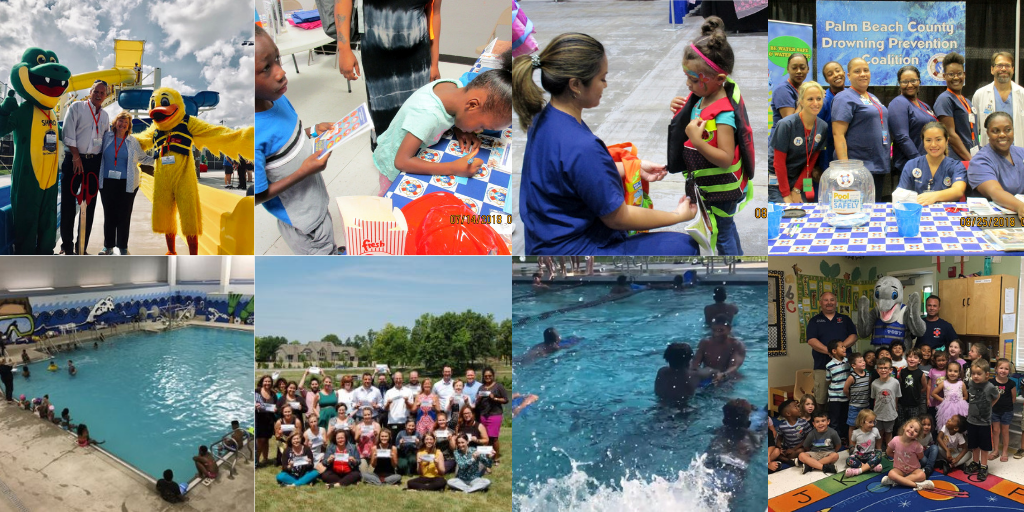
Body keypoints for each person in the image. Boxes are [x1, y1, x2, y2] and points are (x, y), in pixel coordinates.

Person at [513, 33, 699, 255]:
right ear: (575, 85)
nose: (605, 85)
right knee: (684, 247)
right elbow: (618, 218)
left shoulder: (545, 119)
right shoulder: (582, 146)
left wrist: (632, 167)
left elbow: (571, 176)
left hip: (545, 242)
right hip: (573, 254)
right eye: (602, 78)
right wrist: (678, 216)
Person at [254, 25, 335, 255]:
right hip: (303, 226)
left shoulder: (278, 98)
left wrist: (312, 131)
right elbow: (256, 196)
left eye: (278, 59)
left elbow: (289, 139)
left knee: (326, 237)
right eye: (266, 68)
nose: (281, 72)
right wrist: (303, 172)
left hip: (314, 202)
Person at [372, 69, 513, 194]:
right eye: (481, 125)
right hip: (392, 166)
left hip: (413, 149)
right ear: (472, 105)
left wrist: (460, 128)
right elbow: (402, 162)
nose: (478, 131)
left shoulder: (455, 87)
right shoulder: (427, 114)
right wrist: (453, 167)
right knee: (389, 205)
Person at [335, 0, 442, 150]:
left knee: (417, 109)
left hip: (417, 55)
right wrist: (344, 48)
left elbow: (434, 13)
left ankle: (414, 153)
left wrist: (434, 63)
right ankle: (385, 153)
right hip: (377, 53)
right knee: (382, 110)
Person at [60, 80, 110, 254]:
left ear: (106, 96)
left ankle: (82, 247)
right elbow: (67, 134)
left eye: (102, 93)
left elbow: (105, 141)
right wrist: (75, 156)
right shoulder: (76, 108)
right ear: (91, 91)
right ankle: (66, 247)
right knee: (67, 203)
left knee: (89, 204)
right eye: (96, 91)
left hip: (93, 162)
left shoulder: (105, 116)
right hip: (74, 160)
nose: (99, 95)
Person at [831, 57, 892, 199]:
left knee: (873, 209)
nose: (863, 74)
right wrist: (845, 169)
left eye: (866, 70)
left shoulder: (872, 97)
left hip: (877, 164)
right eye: (857, 71)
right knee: (857, 211)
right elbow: (838, 134)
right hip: (857, 167)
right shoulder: (844, 97)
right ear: (849, 76)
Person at [97, 111, 152, 255]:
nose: (122, 125)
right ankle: (108, 246)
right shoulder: (106, 137)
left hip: (127, 183)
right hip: (107, 182)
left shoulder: (132, 141)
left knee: (124, 215)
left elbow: (143, 158)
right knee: (109, 215)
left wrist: (161, 159)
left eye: (126, 123)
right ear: (115, 123)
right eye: (120, 121)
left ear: (129, 126)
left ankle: (122, 246)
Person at [769, 81, 827, 203]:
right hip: (777, 178)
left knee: (803, 210)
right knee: (784, 211)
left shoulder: (823, 127)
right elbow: (778, 163)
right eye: (810, 99)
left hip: (798, 178)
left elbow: (811, 162)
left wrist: (796, 189)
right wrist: (785, 194)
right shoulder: (786, 125)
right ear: (801, 101)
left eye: (819, 98)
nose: (815, 103)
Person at [806, 292, 858, 410]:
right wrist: (831, 351)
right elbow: (811, 340)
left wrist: (840, 348)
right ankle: (821, 423)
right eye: (825, 300)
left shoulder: (845, 319)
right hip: (822, 367)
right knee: (821, 399)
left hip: (845, 367)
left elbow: (854, 336)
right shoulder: (815, 321)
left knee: (846, 396)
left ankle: (844, 425)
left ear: (836, 302)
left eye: (832, 300)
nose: (829, 303)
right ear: (820, 303)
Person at [702, 399, 763, 498]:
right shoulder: (754, 439)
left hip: (713, 466)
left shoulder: (718, 432)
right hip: (735, 472)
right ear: (748, 424)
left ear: (724, 421)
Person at [968, 112, 1024, 220]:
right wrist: (1020, 206)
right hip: (992, 221)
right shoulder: (979, 161)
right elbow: (995, 192)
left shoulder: (1021, 153)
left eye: (1008, 130)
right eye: (995, 131)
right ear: (987, 133)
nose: (1002, 134)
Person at [889, 65, 938, 175]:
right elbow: (902, 137)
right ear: (899, 83)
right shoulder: (898, 103)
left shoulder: (924, 106)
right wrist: (920, 161)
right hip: (912, 166)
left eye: (913, 81)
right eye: (905, 82)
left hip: (930, 163)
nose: (910, 85)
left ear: (919, 81)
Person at [973, 52, 1024, 148]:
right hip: (989, 154)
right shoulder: (980, 95)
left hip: (1018, 153)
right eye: (999, 65)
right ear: (992, 69)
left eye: (1007, 66)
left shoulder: (1022, 94)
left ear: (1013, 69)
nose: (1003, 69)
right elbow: (974, 130)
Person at [934, 52, 977, 161]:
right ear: (944, 76)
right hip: (956, 160)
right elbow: (951, 135)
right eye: (951, 74)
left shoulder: (967, 101)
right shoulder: (944, 99)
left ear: (964, 74)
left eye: (959, 73)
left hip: (971, 155)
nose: (956, 77)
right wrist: (970, 160)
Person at [964, 359, 999, 480]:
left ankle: (983, 466)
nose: (975, 376)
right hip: (971, 420)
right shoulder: (971, 383)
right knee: (974, 445)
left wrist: (990, 406)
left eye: (979, 374)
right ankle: (975, 462)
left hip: (984, 422)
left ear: (987, 375)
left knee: (984, 446)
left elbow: (997, 396)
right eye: (973, 373)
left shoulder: (990, 387)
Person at [692, 314, 745, 383]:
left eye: (721, 330)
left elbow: (734, 366)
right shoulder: (704, 343)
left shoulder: (736, 345)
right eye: (714, 330)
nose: (717, 334)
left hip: (728, 377)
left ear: (729, 329)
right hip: (708, 376)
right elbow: (695, 364)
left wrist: (723, 375)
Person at [881, 418, 933, 490]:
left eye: (916, 431)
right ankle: (917, 485)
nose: (912, 430)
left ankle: (897, 481)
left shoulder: (917, 445)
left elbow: (921, 456)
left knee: (922, 475)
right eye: (911, 427)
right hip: (899, 469)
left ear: (917, 436)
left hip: (913, 470)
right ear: (905, 426)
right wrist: (897, 457)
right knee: (891, 473)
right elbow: (888, 452)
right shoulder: (895, 440)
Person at [770, 53, 810, 144]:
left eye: (802, 68)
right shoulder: (782, 90)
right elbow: (791, 123)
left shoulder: (804, 89)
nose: (799, 71)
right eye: (794, 68)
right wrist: (806, 98)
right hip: (781, 145)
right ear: (788, 69)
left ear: (808, 69)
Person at [817, 61, 846, 173]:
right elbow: (815, 133)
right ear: (826, 80)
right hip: (826, 156)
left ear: (844, 72)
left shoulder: (854, 96)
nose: (835, 75)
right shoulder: (823, 101)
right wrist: (815, 165)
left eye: (838, 70)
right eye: (830, 74)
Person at [475, 366, 508, 462]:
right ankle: (488, 456)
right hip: (483, 415)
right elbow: (477, 403)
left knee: (494, 438)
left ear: (493, 376)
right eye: (486, 376)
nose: (488, 377)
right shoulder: (481, 387)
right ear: (483, 377)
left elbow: (506, 400)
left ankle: (496, 458)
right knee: (486, 437)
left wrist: (495, 398)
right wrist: (479, 398)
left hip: (495, 415)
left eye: (490, 375)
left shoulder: (498, 386)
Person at [989, 358, 1015, 463]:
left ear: (1009, 371)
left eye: (1006, 369)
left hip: (1007, 411)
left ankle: (1004, 452)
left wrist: (1007, 407)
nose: (1003, 370)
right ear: (996, 369)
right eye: (1001, 368)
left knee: (1005, 431)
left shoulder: (1011, 383)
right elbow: (989, 396)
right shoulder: (991, 382)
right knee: (995, 431)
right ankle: (996, 451)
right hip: (994, 411)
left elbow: (1013, 398)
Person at [932, 361, 968, 437]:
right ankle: (946, 441)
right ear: (946, 371)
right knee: (947, 423)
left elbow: (966, 396)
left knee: (959, 424)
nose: (952, 373)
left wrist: (960, 401)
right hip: (947, 408)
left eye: (955, 371)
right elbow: (934, 393)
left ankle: (959, 441)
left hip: (959, 408)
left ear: (959, 373)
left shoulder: (961, 383)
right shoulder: (944, 383)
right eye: (950, 370)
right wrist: (943, 400)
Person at [797, 410, 840, 474]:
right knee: (801, 455)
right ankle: (825, 467)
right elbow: (806, 446)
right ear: (814, 424)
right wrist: (811, 453)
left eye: (823, 421)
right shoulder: (811, 434)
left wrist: (832, 452)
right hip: (814, 453)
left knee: (835, 455)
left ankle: (811, 466)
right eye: (817, 422)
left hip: (827, 453)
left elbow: (838, 445)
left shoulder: (833, 432)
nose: (820, 424)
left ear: (828, 422)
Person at [871, 357, 901, 447]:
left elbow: (896, 396)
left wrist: (895, 408)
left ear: (890, 370)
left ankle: (889, 451)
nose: (883, 370)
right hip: (878, 414)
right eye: (880, 368)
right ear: (877, 370)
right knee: (879, 433)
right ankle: (879, 451)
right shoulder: (874, 383)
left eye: (885, 368)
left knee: (889, 433)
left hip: (890, 414)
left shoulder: (895, 382)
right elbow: (874, 398)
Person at [844, 409, 883, 477]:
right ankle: (870, 467)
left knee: (879, 455)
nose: (873, 424)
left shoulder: (875, 431)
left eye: (874, 422)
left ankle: (858, 471)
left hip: (870, 455)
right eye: (870, 422)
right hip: (858, 456)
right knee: (848, 460)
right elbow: (853, 442)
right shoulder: (855, 433)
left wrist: (879, 449)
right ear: (862, 423)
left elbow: (878, 440)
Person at [896, 349, 927, 433]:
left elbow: (924, 387)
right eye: (910, 357)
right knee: (901, 424)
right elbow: (900, 385)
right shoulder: (902, 372)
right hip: (902, 404)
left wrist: (916, 393)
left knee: (913, 425)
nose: (912, 359)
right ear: (906, 358)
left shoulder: (921, 373)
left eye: (915, 357)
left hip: (914, 405)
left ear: (919, 361)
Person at [825, 340, 850, 444]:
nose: (845, 348)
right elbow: (828, 380)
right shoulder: (829, 365)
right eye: (842, 347)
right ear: (834, 351)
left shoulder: (848, 361)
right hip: (834, 396)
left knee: (845, 417)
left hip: (846, 396)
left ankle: (844, 437)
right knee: (834, 419)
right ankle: (835, 439)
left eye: (845, 346)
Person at [843, 353, 871, 443]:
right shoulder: (852, 377)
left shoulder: (867, 375)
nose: (863, 363)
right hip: (854, 406)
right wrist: (850, 397)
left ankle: (864, 442)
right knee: (852, 425)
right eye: (860, 362)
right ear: (853, 365)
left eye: (863, 361)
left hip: (865, 405)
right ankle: (851, 444)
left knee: (865, 425)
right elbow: (845, 389)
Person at [774, 399, 807, 465]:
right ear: (788, 413)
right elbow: (780, 437)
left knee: (801, 451)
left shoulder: (804, 423)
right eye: (795, 407)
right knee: (777, 453)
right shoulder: (782, 426)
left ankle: (790, 460)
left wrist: (794, 449)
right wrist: (779, 447)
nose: (798, 408)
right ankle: (789, 460)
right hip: (788, 449)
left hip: (799, 447)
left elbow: (807, 439)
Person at [255, 375, 277, 467]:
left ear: (271, 383)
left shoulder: (273, 394)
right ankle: (256, 461)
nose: (267, 383)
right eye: (265, 381)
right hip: (259, 419)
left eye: (269, 382)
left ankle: (265, 459)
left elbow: (276, 406)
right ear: (262, 382)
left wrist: (276, 409)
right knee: (260, 440)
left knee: (266, 440)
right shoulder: (257, 391)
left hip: (269, 420)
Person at [384, 371, 413, 439]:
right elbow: (385, 409)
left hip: (405, 422)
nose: (398, 380)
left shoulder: (408, 391)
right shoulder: (389, 392)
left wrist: (406, 402)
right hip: (393, 421)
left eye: (400, 378)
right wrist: (388, 404)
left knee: (406, 441)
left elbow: (411, 408)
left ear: (402, 379)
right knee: (394, 441)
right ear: (394, 379)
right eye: (396, 378)